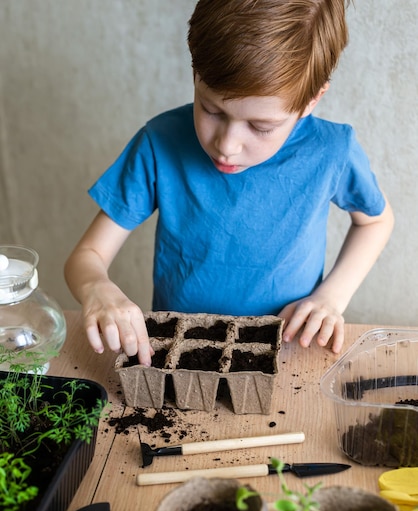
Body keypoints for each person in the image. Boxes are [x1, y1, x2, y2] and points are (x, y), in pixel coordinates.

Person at [65, 0, 394, 366]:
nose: (226, 145)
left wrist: (332, 297)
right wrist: (97, 288)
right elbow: (86, 257)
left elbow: (376, 221)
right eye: (211, 109)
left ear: (311, 101)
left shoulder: (332, 151)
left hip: (287, 350)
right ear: (195, 74)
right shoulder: (160, 143)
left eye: (260, 127)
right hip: (181, 354)